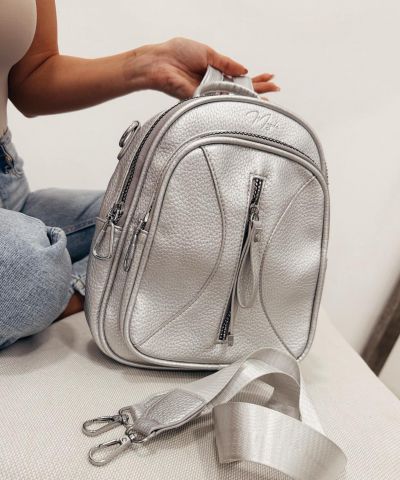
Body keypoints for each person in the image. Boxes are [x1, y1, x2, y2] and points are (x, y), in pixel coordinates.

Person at [0, 0, 279, 349]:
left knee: (176, 222)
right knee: (30, 268)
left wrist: (150, 63)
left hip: (8, 185)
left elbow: (32, 76)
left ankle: (60, 287)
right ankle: (73, 286)